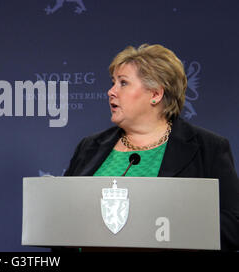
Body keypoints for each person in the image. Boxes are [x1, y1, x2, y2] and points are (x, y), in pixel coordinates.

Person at [65, 44, 239, 251]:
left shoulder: (208, 148)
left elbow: (233, 225)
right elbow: (65, 217)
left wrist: (165, 228)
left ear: (155, 94)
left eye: (123, 83)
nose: (111, 92)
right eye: (113, 83)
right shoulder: (89, 147)